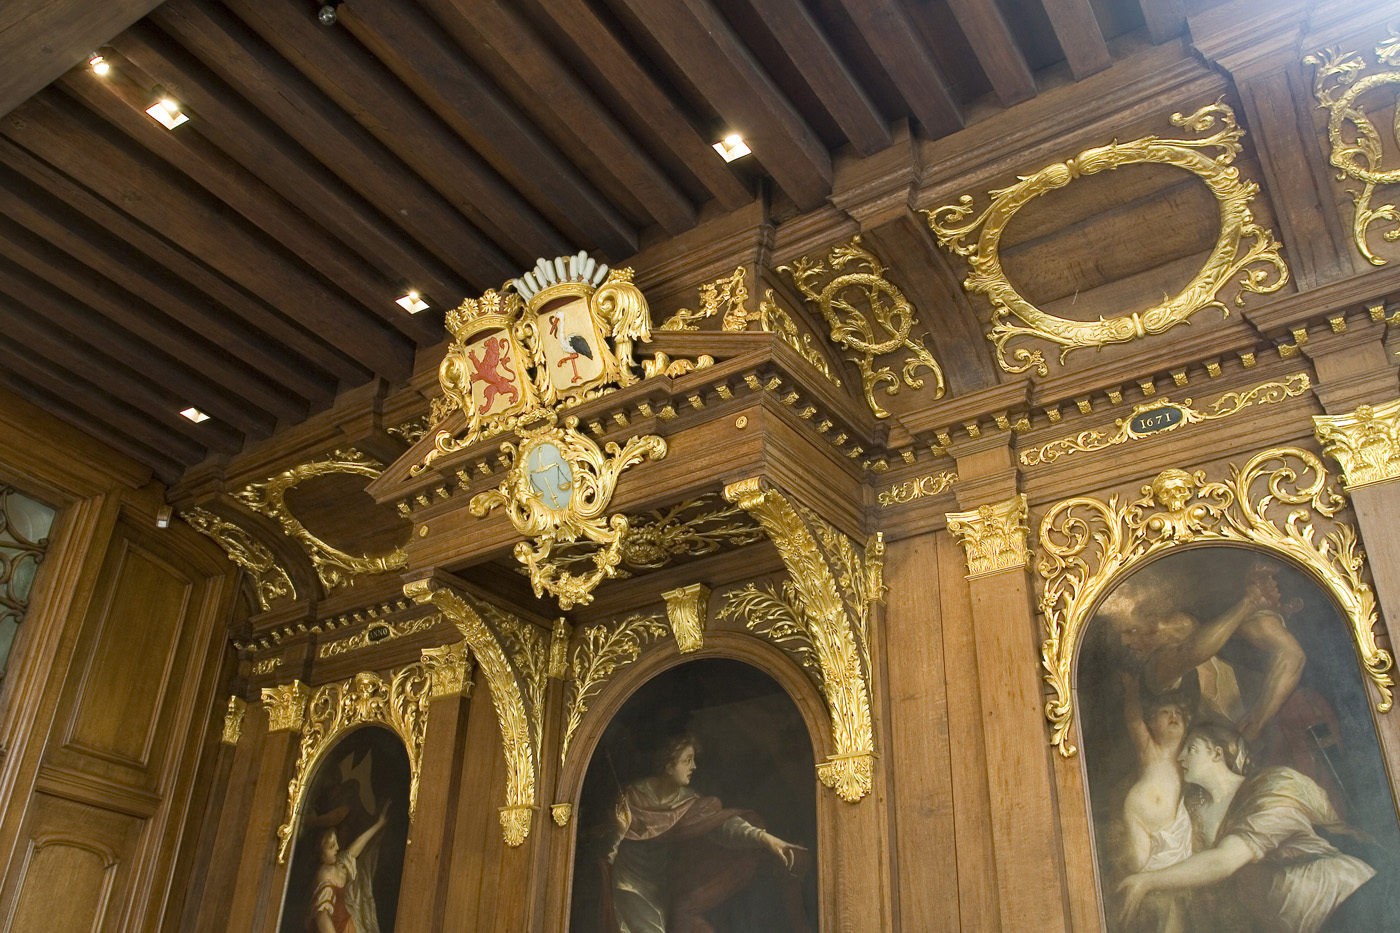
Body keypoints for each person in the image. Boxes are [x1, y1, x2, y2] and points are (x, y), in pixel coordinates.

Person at [1117, 724, 1374, 933]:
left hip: (1345, 902)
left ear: (1217, 753)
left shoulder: (1272, 787)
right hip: (1296, 924)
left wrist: (1147, 881)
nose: (1180, 757)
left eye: (1191, 749)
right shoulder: (1196, 816)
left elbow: (1224, 861)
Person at [601, 734, 806, 933]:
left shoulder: (690, 803)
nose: (693, 767)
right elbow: (608, 850)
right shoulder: (632, 798)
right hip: (630, 885)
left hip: (661, 891)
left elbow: (725, 825)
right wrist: (619, 830)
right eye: (687, 760)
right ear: (669, 766)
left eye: (693, 760)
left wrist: (767, 839)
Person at [1116, 673, 1193, 932]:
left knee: (1169, 895)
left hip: (1171, 831)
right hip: (1138, 818)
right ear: (1151, 722)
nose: (1173, 716)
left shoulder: (1188, 758)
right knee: (1139, 869)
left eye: (1178, 714)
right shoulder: (1150, 749)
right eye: (1165, 712)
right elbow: (1132, 719)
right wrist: (1132, 690)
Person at [309, 800, 390, 933]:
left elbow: (353, 851)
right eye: (331, 846)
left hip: (349, 924)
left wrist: (378, 825)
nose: (337, 848)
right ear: (321, 854)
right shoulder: (324, 880)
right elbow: (322, 918)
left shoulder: (336, 864)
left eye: (336, 843)